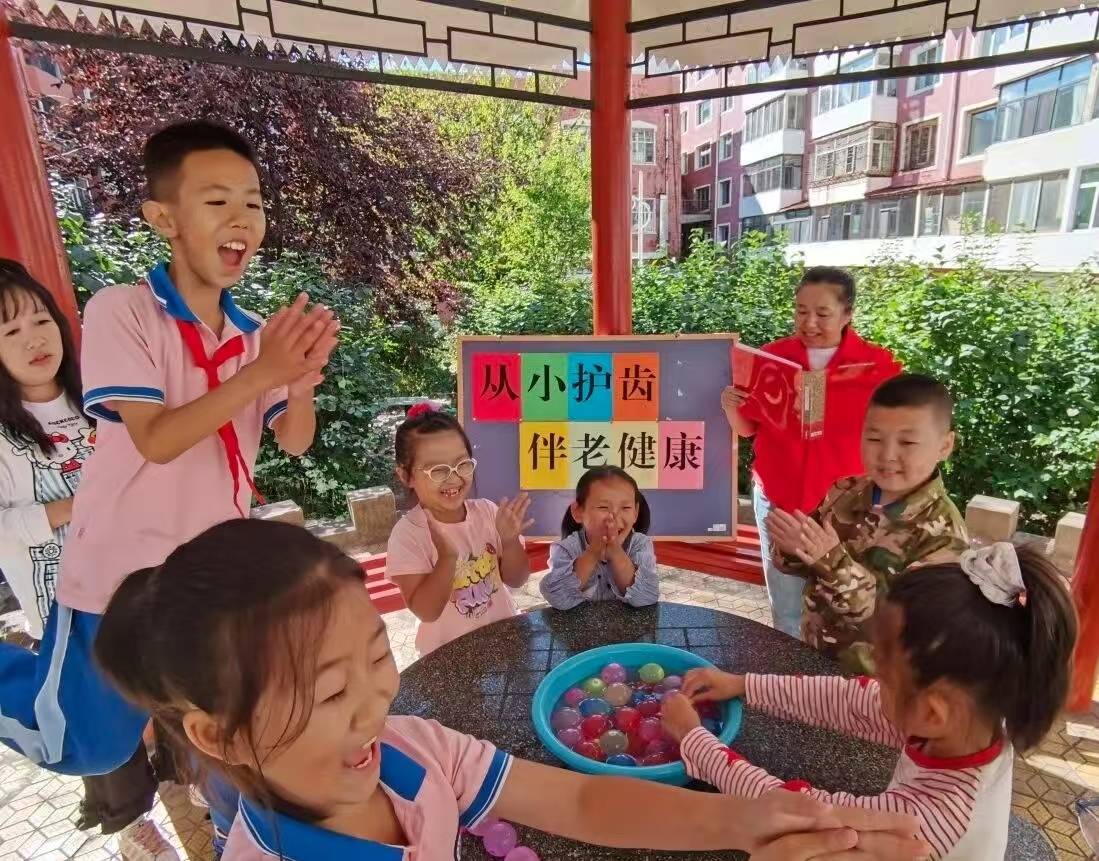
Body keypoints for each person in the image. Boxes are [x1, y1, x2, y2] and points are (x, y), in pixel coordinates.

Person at [93, 518, 931, 861]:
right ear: (221, 735)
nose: (371, 707)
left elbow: (588, 804)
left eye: (373, 660)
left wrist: (745, 818)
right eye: (323, 691)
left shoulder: (412, 753)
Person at [0, 117, 338, 808]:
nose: (242, 217)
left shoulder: (253, 336)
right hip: (113, 579)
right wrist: (262, 370)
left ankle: (236, 833)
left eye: (254, 202)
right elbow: (156, 438)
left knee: (233, 733)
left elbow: (295, 440)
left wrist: (296, 383)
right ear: (163, 217)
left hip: (206, 584)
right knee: (83, 744)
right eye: (217, 200)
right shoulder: (123, 310)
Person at [662, 542, 1077, 861]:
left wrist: (694, 741)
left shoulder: (931, 819)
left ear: (932, 712)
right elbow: (849, 701)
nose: (871, 681)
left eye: (884, 673)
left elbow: (798, 812)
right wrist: (743, 683)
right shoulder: (973, 717)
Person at [0, 260, 163, 852]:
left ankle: (196, 815)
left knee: (169, 716)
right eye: (10, 331)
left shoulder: (104, 400)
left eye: (40, 319)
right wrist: (68, 508)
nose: (34, 338)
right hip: (67, 614)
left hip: (144, 595)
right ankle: (135, 831)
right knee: (102, 740)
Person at [722, 266, 897, 639]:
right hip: (779, 498)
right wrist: (730, 406)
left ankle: (827, 690)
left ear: (847, 314)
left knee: (843, 604)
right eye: (801, 311)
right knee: (785, 606)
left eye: (822, 313)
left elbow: (893, 438)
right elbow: (748, 429)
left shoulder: (876, 367)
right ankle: (788, 687)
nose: (809, 322)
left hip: (846, 508)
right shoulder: (773, 358)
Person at [764, 374, 969, 674]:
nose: (887, 455)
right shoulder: (846, 491)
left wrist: (831, 561)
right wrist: (791, 546)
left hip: (875, 693)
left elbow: (904, 631)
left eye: (907, 442)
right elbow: (799, 564)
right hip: (813, 662)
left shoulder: (945, 536)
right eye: (874, 438)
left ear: (944, 446)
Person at [386, 403, 531, 655]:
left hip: (504, 640)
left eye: (462, 464)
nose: (453, 478)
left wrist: (509, 541)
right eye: (437, 470)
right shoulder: (407, 535)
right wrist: (446, 559)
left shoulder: (487, 511)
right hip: (449, 658)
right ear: (406, 476)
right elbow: (427, 612)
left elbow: (517, 579)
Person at [540, 466, 659, 610]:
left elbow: (646, 597)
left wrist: (615, 552)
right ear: (578, 511)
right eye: (603, 507)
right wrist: (594, 551)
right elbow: (559, 599)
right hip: (578, 630)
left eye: (626, 508)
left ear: (635, 512)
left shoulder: (640, 544)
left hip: (628, 630)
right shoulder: (566, 548)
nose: (614, 517)